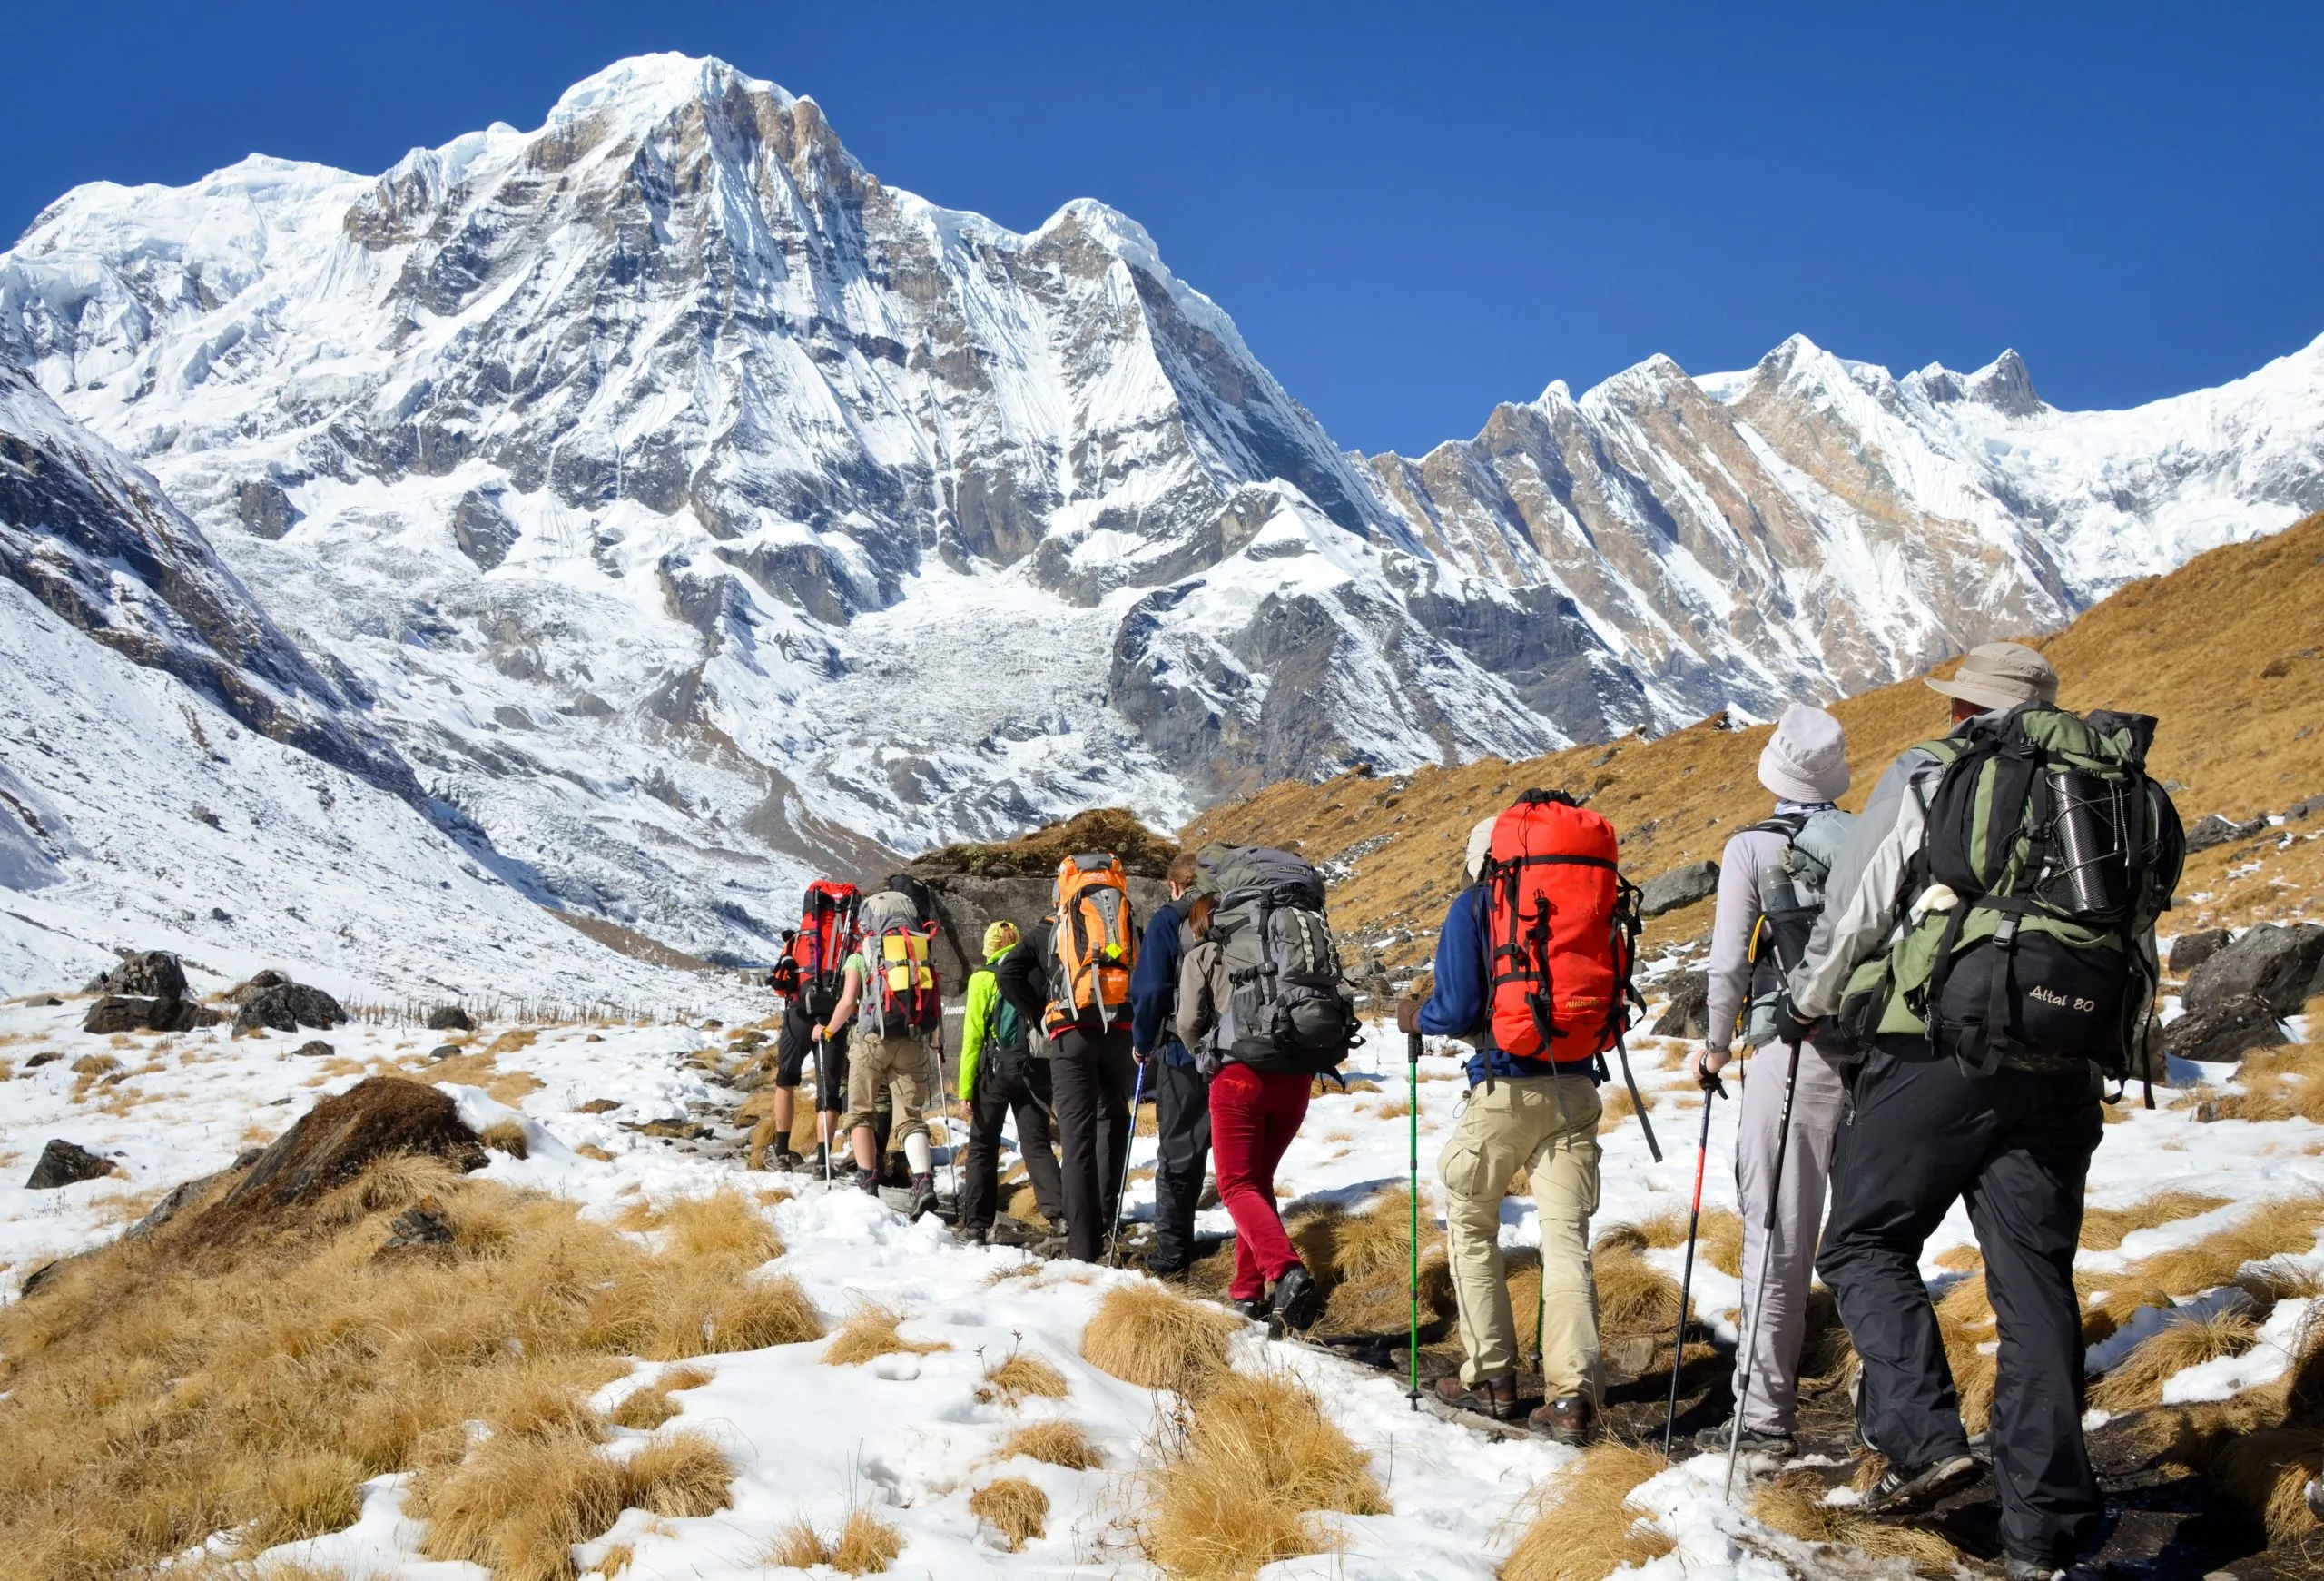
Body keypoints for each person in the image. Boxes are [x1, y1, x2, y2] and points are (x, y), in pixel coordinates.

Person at [1784, 642, 2139, 1579]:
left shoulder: (1935, 771)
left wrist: (1808, 1000)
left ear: (1961, 713)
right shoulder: (2098, 787)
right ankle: (2045, 1528)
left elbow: (1860, 904)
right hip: (2063, 1061)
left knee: (1861, 1243)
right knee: (2032, 1282)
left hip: (1938, 1050)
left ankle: (1923, 1439)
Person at [1686, 703, 1856, 1457]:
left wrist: (1715, 1047)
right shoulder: (1867, 838)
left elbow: (1728, 964)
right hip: (1881, 1057)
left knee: (1779, 1233)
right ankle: (1884, 1406)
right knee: (1867, 1237)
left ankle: (1761, 1418)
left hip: (1793, 1053)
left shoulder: (1753, 847)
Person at [1399, 816, 1602, 1445]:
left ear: (1483, 860)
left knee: (1471, 1220)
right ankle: (1571, 1398)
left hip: (1504, 1087)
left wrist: (1415, 1013)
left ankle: (1491, 1376)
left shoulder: (1476, 904)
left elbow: (1456, 1007)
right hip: (1576, 1087)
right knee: (1566, 1239)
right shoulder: (1578, 898)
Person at [1177, 894, 1321, 1327]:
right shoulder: (1281, 946)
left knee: (1236, 1185)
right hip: (1295, 1077)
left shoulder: (1203, 955)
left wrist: (1204, 1057)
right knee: (1257, 1183)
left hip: (1239, 1077)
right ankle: (1247, 1291)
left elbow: (1186, 1023)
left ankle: (1286, 1271)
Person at [824, 888, 940, 1212]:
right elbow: (932, 997)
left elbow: (848, 1002)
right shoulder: (920, 947)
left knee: (860, 1110)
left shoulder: (861, 954)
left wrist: (829, 1030)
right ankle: (923, 1183)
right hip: (913, 1039)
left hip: (872, 1040)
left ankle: (867, 1179)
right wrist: (935, 1037)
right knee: (911, 1117)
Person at [955, 920, 1067, 1243]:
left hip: (996, 1072)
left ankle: (976, 1225)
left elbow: (973, 1039)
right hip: (1036, 1068)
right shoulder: (1036, 971)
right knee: (1036, 1143)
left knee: (983, 1146)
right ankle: (1059, 1217)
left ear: (989, 947)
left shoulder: (982, 979)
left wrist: (965, 1089)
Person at [1131, 850, 1208, 1279]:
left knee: (1179, 1152)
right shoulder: (1237, 911)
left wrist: (1142, 1042)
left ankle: (1172, 1257)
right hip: (1240, 1052)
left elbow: (1150, 989)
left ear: (1176, 886)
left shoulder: (1169, 918)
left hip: (1184, 1052)